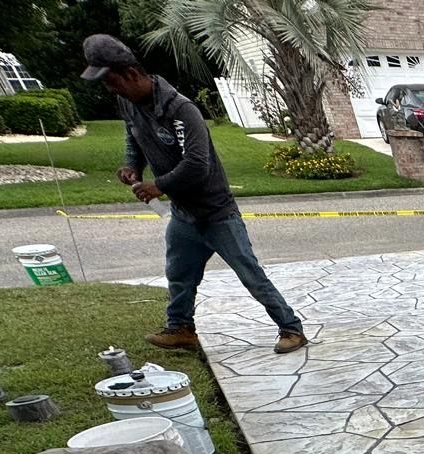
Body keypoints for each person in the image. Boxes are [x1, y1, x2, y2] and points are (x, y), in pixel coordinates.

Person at [81, 34, 307, 354]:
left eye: (111, 81)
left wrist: (158, 186)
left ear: (131, 74)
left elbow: (197, 165)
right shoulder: (128, 103)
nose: (110, 89)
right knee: (179, 274)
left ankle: (291, 329)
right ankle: (181, 329)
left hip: (217, 212)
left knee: (250, 274)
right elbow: (134, 138)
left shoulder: (180, 109)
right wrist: (132, 167)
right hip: (183, 214)